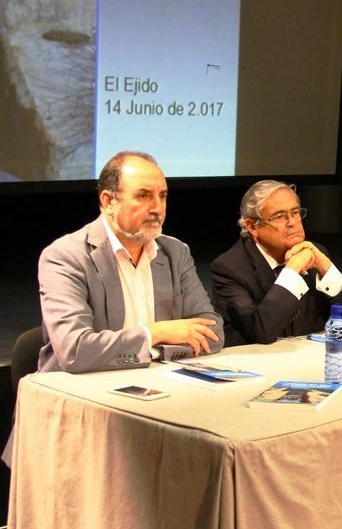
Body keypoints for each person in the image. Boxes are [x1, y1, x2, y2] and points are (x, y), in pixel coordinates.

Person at [36, 151, 224, 373]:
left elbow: (213, 333)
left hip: (157, 384)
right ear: (108, 201)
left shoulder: (175, 252)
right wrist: (155, 334)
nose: (157, 208)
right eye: (143, 195)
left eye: (162, 196)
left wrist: (154, 353)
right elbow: (76, 351)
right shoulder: (66, 256)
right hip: (80, 392)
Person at [210, 180, 342, 346]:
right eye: (279, 216)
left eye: (296, 213)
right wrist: (291, 272)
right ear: (252, 226)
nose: (292, 222)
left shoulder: (313, 254)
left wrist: (326, 267)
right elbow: (261, 332)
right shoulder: (230, 269)